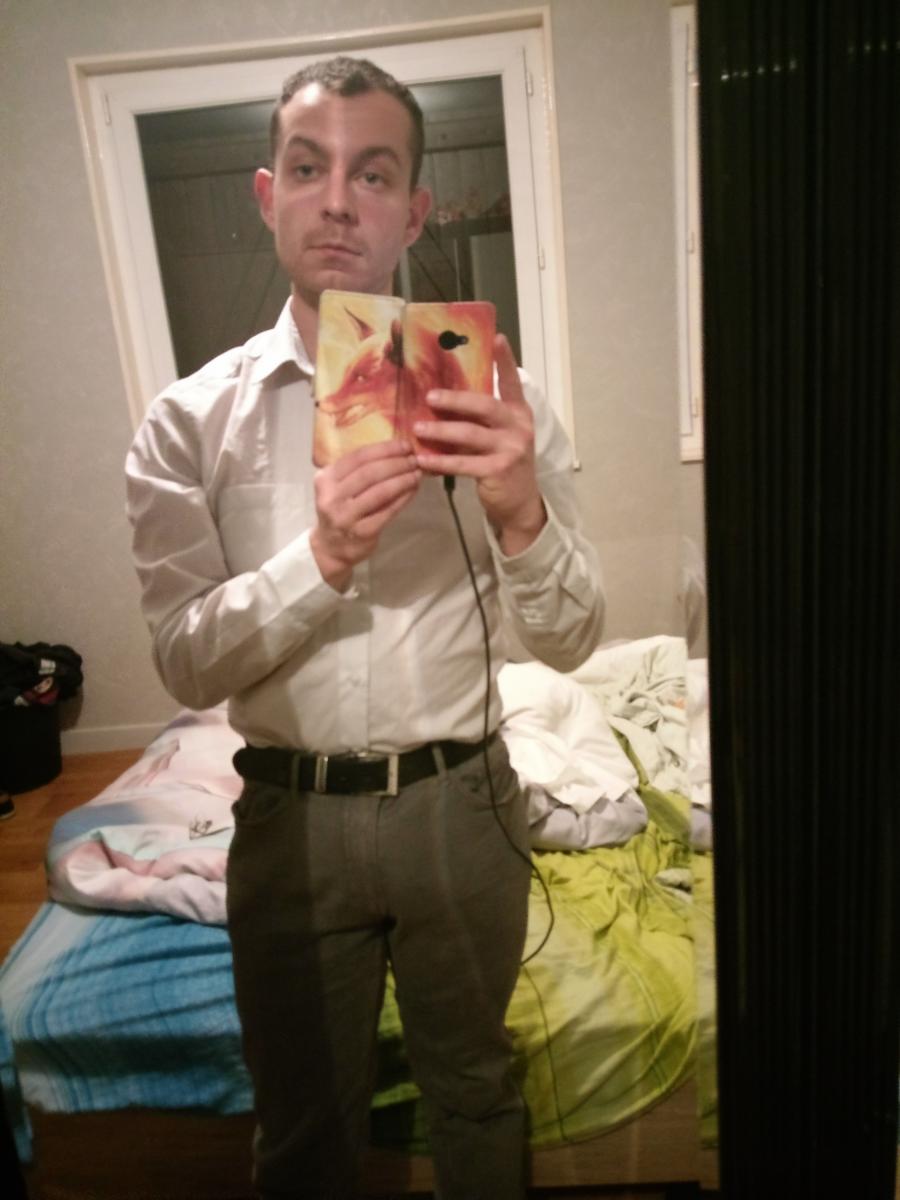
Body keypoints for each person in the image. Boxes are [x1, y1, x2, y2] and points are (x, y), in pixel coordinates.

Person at [126, 55, 604, 1200]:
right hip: (289, 820)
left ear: (415, 210)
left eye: (374, 174)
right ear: (267, 194)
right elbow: (184, 659)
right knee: (301, 1128)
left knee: (476, 1092)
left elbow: (573, 640)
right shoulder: (190, 423)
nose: (338, 201)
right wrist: (323, 557)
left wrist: (520, 510)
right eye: (308, 168)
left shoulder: (499, 400)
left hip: (463, 807)